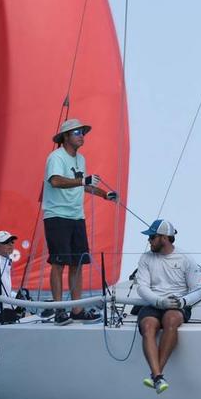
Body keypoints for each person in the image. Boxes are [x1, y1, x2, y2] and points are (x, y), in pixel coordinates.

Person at [42, 118, 118, 324]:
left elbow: (82, 185)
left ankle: (76, 309)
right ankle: (59, 310)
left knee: (78, 262)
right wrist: (82, 180)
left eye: (82, 132)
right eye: (77, 133)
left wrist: (105, 194)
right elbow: (55, 181)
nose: (81, 136)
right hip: (57, 215)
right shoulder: (56, 157)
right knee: (59, 263)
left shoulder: (81, 159)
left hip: (76, 216)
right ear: (65, 137)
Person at [134, 219, 201, 394]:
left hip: (177, 303)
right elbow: (142, 288)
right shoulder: (146, 258)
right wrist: (159, 301)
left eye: (152, 237)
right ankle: (158, 377)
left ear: (164, 238)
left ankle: (155, 375)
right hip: (154, 302)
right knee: (148, 325)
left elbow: (197, 290)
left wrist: (183, 302)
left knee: (171, 319)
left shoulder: (186, 259)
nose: (149, 240)